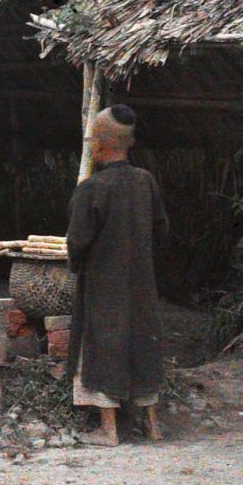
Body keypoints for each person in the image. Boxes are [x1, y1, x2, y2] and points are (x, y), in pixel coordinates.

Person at [66, 104, 169, 446]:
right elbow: (161, 231)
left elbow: (77, 241)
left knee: (101, 343)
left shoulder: (92, 189)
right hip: (141, 281)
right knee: (143, 343)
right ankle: (153, 426)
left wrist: (77, 264)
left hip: (103, 283)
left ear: (98, 145)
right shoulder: (146, 182)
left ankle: (109, 430)